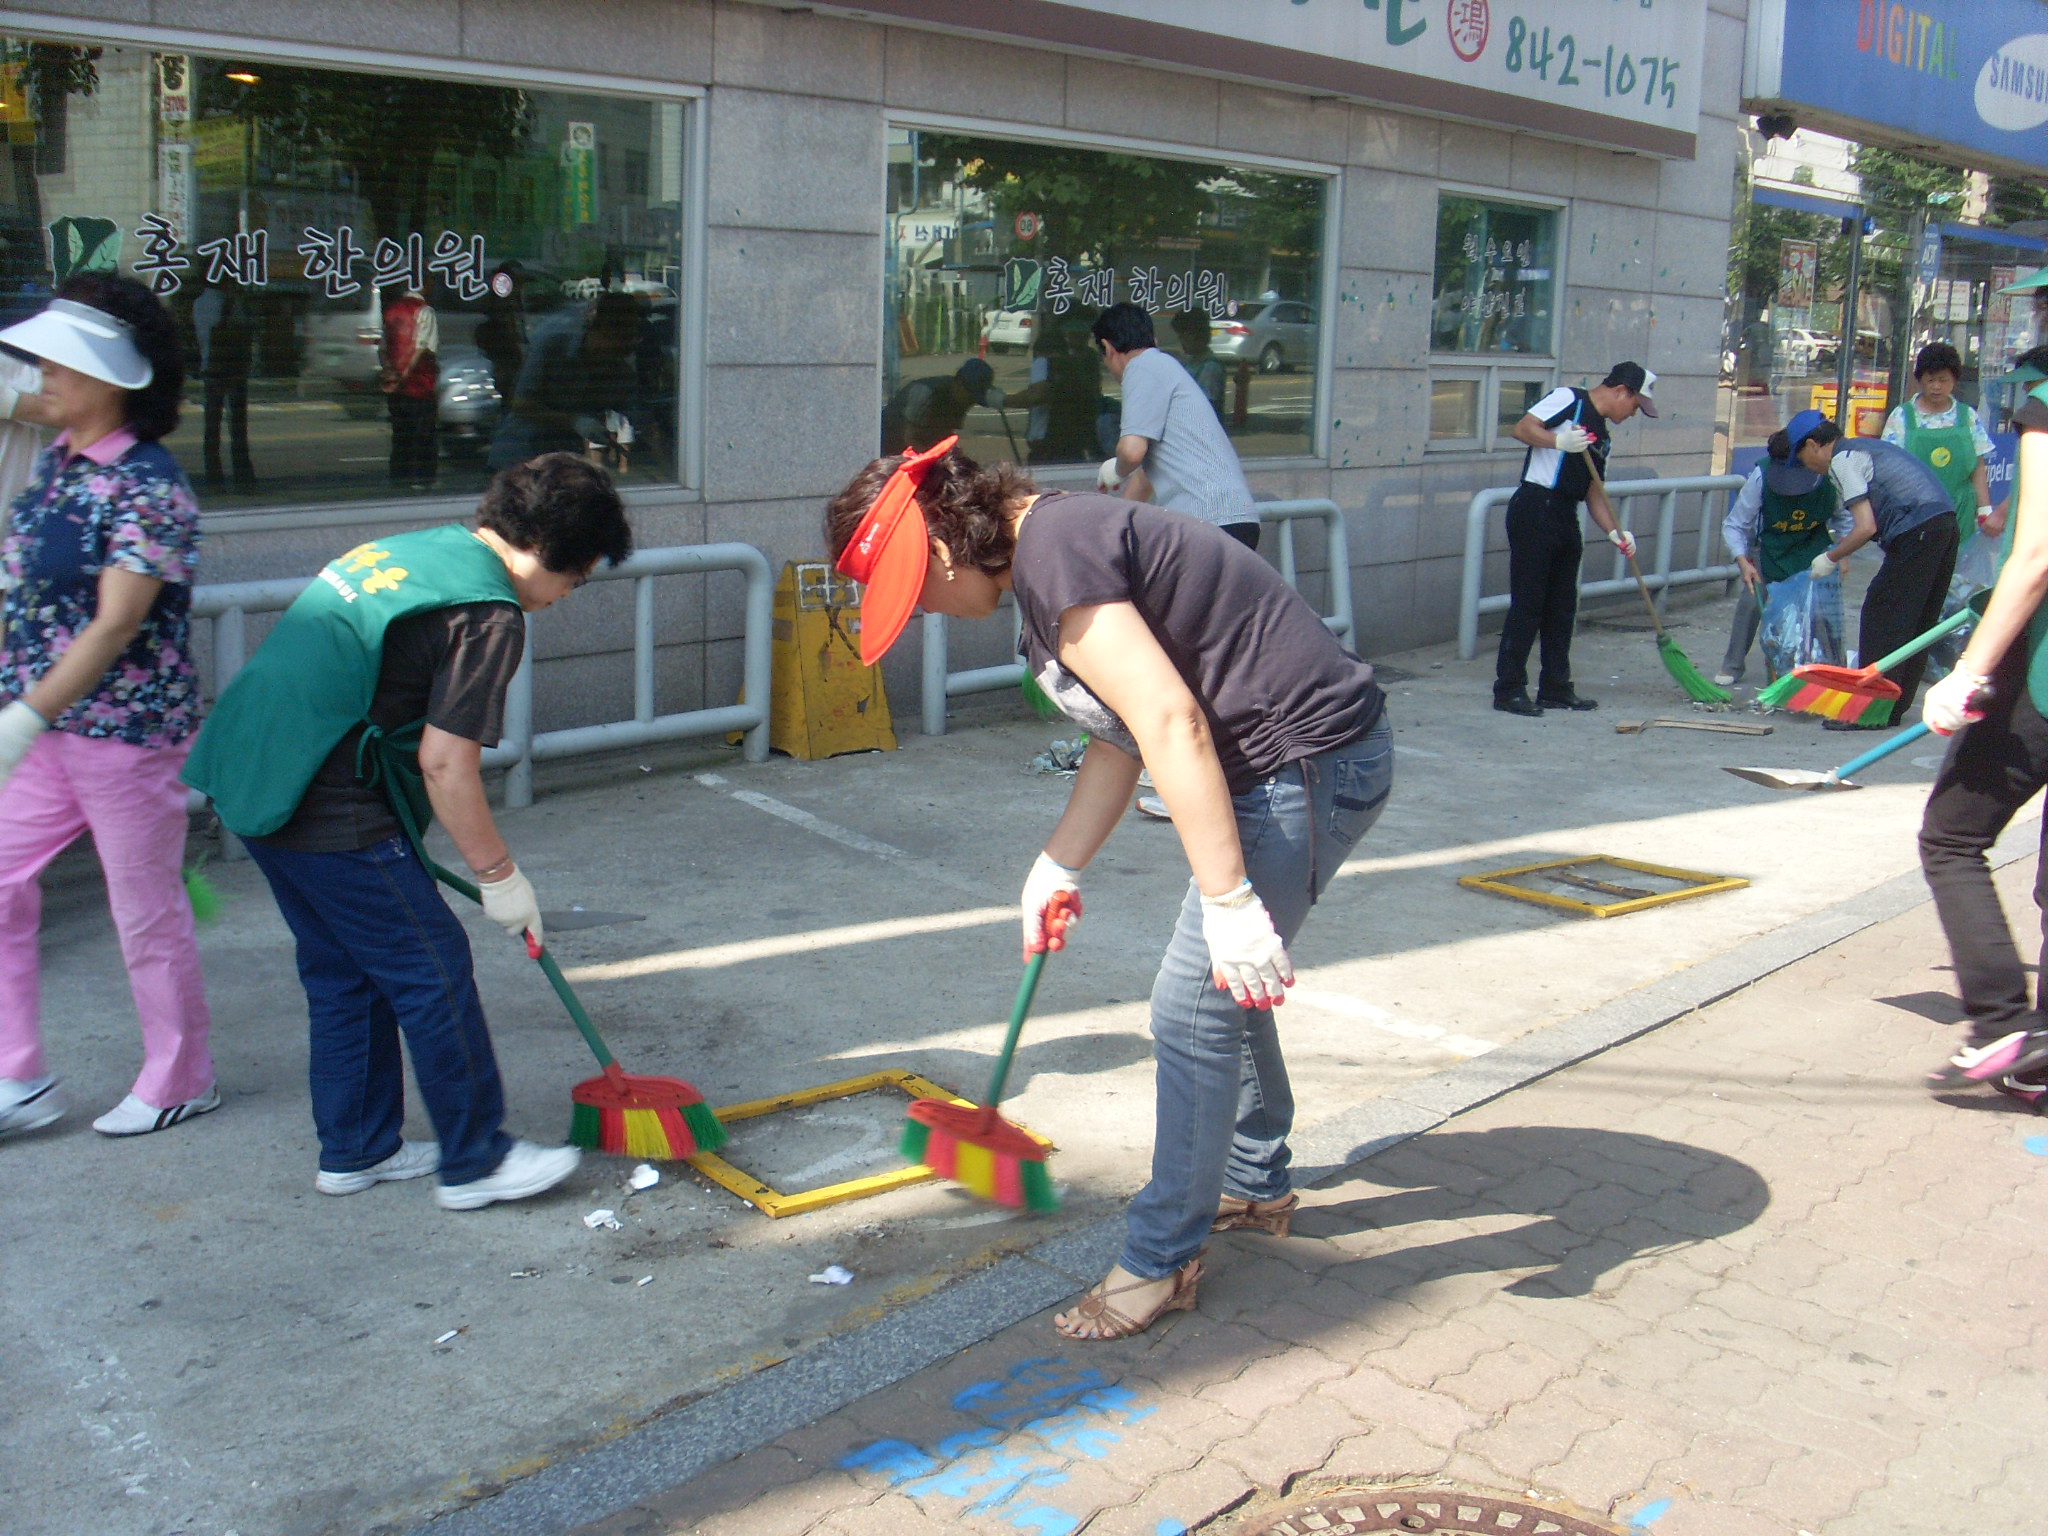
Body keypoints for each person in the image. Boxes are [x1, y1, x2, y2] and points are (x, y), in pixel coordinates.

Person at [825, 438, 1392, 1339]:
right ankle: (1253, 1179)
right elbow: (1126, 729)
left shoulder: (1058, 551)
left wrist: (1232, 902)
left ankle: (1162, 1257)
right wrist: (1059, 864)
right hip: (1274, 767)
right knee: (1219, 992)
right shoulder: (1050, 556)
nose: (928, 612)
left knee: (1193, 1006)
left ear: (936, 549)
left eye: (917, 593)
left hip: (1306, 766)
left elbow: (1170, 721)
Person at [181, 454, 632, 1208]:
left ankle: (357, 1148)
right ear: (559, 556)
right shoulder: (487, 611)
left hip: (251, 773)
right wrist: (499, 876)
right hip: (325, 802)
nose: (561, 599)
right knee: (432, 968)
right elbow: (445, 764)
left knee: (344, 971)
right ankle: (477, 1159)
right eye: (576, 581)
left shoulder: (416, 550)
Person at [0, 276, 216, 1139]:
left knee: (146, 909)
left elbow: (117, 621)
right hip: (46, 728)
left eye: (63, 361)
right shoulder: (56, 465)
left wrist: (23, 717)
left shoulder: (148, 484)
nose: (42, 371)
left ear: (115, 378)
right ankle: (17, 1072)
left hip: (124, 736)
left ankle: (180, 1076)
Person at [1917, 349, 2048, 1099]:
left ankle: (2002, 1026)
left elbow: (2035, 554)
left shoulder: (2045, 407)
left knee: (1952, 836)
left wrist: (1970, 669)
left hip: (2043, 679)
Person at [1491, 363, 1655, 716]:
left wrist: (1615, 531)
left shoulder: (1604, 438)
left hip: (1567, 513)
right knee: (1529, 603)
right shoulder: (1569, 400)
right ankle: (1509, 689)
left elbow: (1595, 490)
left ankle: (1556, 687)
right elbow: (1522, 427)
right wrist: (1558, 441)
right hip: (1536, 505)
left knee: (1563, 606)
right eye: (1635, 405)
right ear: (1622, 391)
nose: (1633, 414)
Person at [1812, 434, 1963, 728]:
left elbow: (1865, 526)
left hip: (1917, 529)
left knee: (1882, 615)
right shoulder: (1869, 447)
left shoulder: (1843, 460)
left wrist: (1831, 557)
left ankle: (1870, 712)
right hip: (1944, 524)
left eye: (1802, 460)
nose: (1808, 468)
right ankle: (1894, 709)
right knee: (1917, 621)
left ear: (1812, 446)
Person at [1717, 411, 1872, 686]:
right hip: (1770, 550)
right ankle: (1732, 664)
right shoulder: (1761, 475)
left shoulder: (1832, 473)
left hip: (1815, 550)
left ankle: (1824, 667)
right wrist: (1742, 560)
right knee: (1753, 601)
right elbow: (1735, 525)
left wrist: (1842, 551)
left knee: (1820, 613)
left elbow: (1847, 518)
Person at [1092, 301, 1260, 549]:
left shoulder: (1140, 367)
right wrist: (1114, 525)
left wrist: (1116, 469)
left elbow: (1132, 451)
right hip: (1235, 520)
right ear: (1154, 339)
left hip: (1208, 523)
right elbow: (1144, 479)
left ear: (1107, 348)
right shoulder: (1163, 367)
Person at [487, 291, 643, 471]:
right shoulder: (553, 347)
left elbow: (638, 414)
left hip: (560, 466)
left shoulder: (619, 371)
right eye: (621, 342)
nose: (622, 354)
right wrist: (574, 422)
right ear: (602, 331)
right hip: (518, 457)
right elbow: (521, 404)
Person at [1882, 341, 2002, 546]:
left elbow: (1978, 466)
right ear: (1920, 379)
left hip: (1960, 511)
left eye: (1943, 380)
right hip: (1916, 513)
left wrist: (1984, 508)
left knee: (1957, 572)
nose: (1936, 387)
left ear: (1954, 380)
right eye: (1930, 380)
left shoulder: (1967, 417)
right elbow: (1890, 467)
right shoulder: (1902, 416)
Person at [1006, 317, 1102, 466]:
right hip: (1076, 442)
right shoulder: (1082, 364)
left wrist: (1002, 400)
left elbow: (1037, 395)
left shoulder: (1044, 362)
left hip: (1048, 445)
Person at [193, 275, 257, 491]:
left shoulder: (199, 303)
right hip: (231, 368)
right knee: (238, 425)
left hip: (211, 367)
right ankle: (242, 473)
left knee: (212, 425)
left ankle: (214, 474)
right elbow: (244, 329)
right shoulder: (229, 302)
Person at [380, 281, 439, 491]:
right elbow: (424, 348)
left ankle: (399, 479)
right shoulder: (425, 311)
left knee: (401, 437)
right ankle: (421, 480)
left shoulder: (393, 311)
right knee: (423, 436)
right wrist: (405, 375)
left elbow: (383, 347)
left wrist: (391, 374)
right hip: (419, 387)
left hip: (396, 390)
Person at [880, 357, 1004, 455]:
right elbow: (909, 439)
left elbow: (947, 435)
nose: (971, 401)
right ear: (959, 383)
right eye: (971, 395)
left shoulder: (961, 399)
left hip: (923, 443)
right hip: (892, 443)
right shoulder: (924, 392)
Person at [1170, 308, 1227, 420]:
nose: (1181, 340)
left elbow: (1205, 407)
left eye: (1183, 335)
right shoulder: (1188, 364)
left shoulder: (1210, 367)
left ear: (1195, 335)